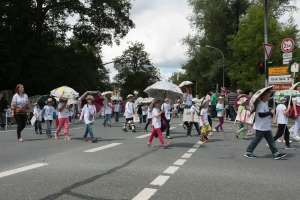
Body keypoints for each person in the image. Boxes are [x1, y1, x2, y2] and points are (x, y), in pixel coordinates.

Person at [244, 88, 287, 159]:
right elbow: (261, 114)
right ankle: (248, 152)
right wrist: (270, 112)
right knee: (257, 140)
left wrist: (269, 111)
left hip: (265, 126)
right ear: (264, 96)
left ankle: (276, 153)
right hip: (261, 126)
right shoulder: (261, 104)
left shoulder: (264, 104)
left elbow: (263, 112)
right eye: (268, 96)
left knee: (271, 140)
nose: (269, 97)